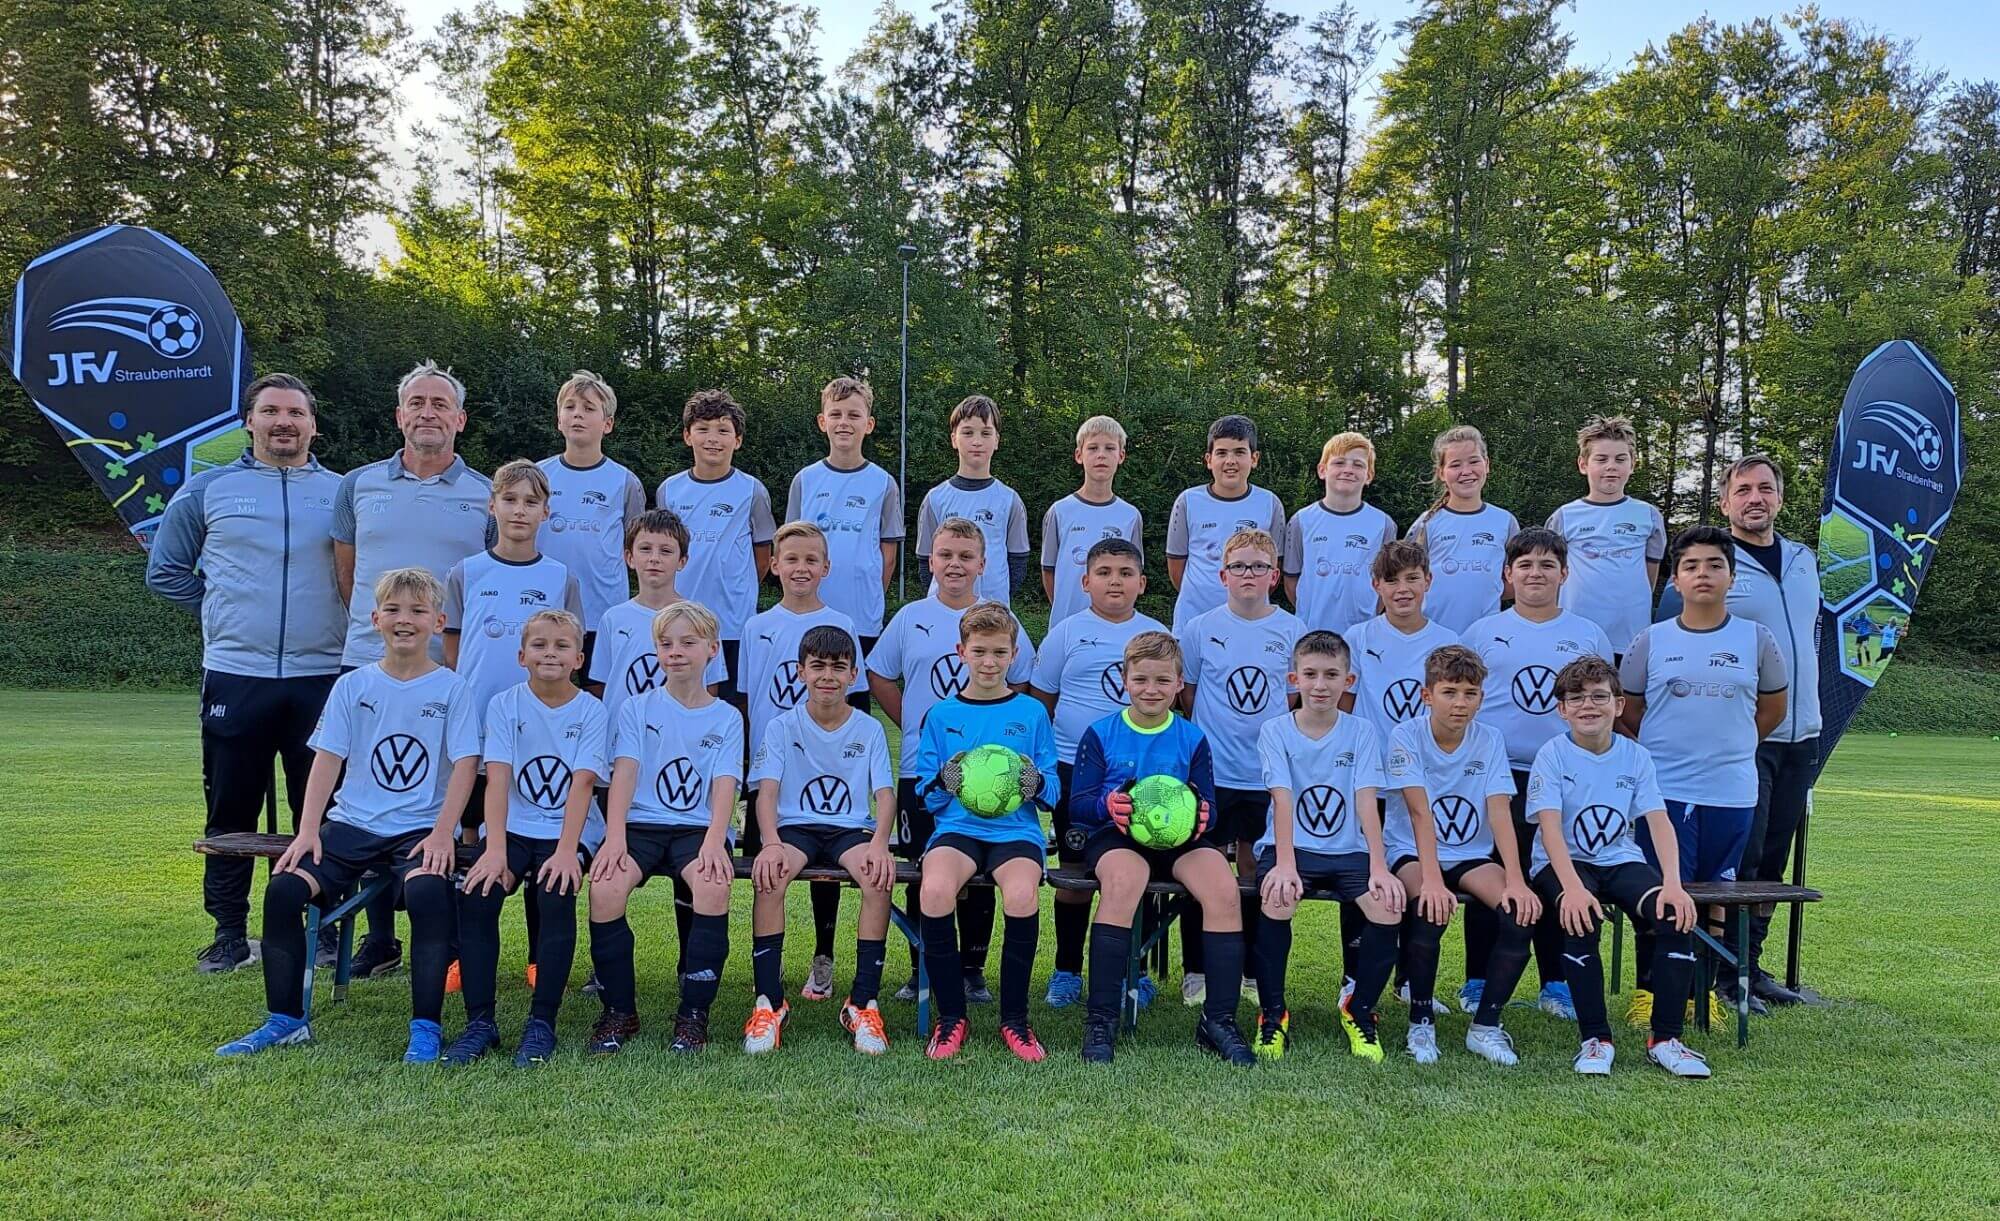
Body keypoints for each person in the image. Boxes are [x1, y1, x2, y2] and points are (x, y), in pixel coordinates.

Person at [215, 568, 478, 1061]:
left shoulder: (451, 689)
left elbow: (466, 764)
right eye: (394, 610)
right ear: (375, 619)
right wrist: (309, 829)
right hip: (351, 825)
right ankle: (286, 1020)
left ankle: (425, 1028)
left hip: (418, 829)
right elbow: (327, 759)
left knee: (428, 893)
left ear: (438, 621)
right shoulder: (353, 686)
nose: (405, 620)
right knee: (284, 889)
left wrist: (444, 832)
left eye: (418, 611)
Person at [146, 372, 345, 974]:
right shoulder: (210, 489)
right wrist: (223, 605)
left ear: (313, 424)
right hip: (237, 672)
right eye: (271, 412)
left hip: (323, 674)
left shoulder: (342, 492)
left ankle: (325, 926)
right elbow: (166, 570)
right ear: (250, 422)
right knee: (231, 807)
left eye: (296, 413)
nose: (284, 422)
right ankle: (229, 932)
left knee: (326, 809)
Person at [329, 360, 492, 976]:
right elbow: (348, 574)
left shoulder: (484, 494)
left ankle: (439, 931)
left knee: (437, 787)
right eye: (416, 403)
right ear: (400, 415)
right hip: (365, 663)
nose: (428, 413)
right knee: (366, 790)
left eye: (440, 404)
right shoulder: (358, 485)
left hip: (445, 672)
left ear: (460, 419)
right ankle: (376, 937)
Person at [1619, 526, 1786, 1019]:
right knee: (1661, 890)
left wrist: (1730, 747)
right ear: (1674, 580)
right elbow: (1630, 712)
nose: (1703, 574)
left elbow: (1771, 711)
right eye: (1691, 566)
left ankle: (1702, 994)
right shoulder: (1652, 640)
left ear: (1731, 576)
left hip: (1731, 790)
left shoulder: (1756, 640)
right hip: (1663, 789)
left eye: (1715, 565)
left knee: (1716, 894)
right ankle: (1649, 993)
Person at [867, 518, 1034, 1005]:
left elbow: (1021, 682)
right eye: (946, 555)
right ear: (931, 562)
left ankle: (973, 969)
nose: (955, 564)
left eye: (966, 556)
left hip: (992, 778)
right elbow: (879, 674)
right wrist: (913, 724)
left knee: (983, 867)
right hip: (925, 768)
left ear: (983, 564)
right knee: (925, 867)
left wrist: (995, 733)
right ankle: (921, 965)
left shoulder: (1002, 619)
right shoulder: (910, 617)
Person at [1068, 631, 1251, 1066]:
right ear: (1125, 681)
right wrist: (1106, 805)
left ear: (1178, 683)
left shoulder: (1191, 738)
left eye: (1163, 681)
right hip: (1117, 836)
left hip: (1181, 840)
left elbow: (1208, 804)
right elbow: (1077, 806)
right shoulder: (1100, 734)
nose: (1152, 690)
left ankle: (1219, 1020)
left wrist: (1205, 815)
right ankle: (1102, 1018)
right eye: (1142, 680)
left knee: (1224, 890)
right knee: (1125, 882)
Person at [1526, 656, 1710, 1079]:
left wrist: (1673, 884)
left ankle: (1666, 1039)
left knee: (1673, 917)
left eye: (1598, 697)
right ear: (1562, 709)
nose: (1588, 706)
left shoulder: (1636, 756)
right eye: (1577, 699)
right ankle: (1596, 1039)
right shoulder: (1552, 754)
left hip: (1619, 858)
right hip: (1564, 863)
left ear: (1619, 704)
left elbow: (1658, 822)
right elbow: (1550, 829)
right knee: (1580, 918)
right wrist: (1571, 889)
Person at [1460, 528, 1613, 1021]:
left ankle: (1556, 982)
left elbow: (1599, 707)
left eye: (1547, 565)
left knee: (1552, 872)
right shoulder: (1482, 632)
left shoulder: (1588, 634)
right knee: (1493, 872)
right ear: (1507, 575)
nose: (1536, 574)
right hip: (1494, 772)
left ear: (1564, 574)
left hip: (1562, 772)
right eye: (1525, 565)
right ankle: (1477, 978)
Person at [445, 610, 608, 1066]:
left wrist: (564, 853)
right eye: (539, 645)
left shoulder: (592, 711)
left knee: (556, 892)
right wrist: (494, 850)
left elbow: (581, 785)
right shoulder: (504, 704)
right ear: (521, 655)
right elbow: (497, 780)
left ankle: (542, 1024)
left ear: (578, 657)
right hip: (513, 828)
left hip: (569, 831)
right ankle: (480, 1023)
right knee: (478, 893)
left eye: (560, 646)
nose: (549, 654)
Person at [585, 601, 745, 1056]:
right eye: (666, 643)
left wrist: (716, 839)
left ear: (712, 649)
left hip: (697, 829)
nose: (676, 652)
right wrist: (614, 836)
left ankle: (694, 1014)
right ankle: (619, 1010)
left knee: (712, 887)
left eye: (687, 643)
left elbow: (723, 785)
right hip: (640, 825)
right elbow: (625, 774)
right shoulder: (637, 708)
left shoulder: (726, 716)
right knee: (606, 887)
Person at [785, 376, 901, 991]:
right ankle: (823, 951)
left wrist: (859, 612)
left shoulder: (883, 482)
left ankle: (864, 950)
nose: (846, 421)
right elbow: (798, 548)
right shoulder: (806, 479)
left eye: (856, 413)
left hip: (855, 632)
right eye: (836, 413)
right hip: (813, 634)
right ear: (823, 420)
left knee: (848, 785)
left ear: (868, 422)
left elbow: (884, 556)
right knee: (804, 787)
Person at [1381, 645, 1541, 1066]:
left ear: (1482, 698)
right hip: (1411, 850)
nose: (1460, 703)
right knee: (1430, 909)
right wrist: (1431, 880)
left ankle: (1486, 1026)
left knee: (1519, 912)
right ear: (1427, 695)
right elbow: (1418, 812)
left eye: (1470, 693)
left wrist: (1517, 879)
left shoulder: (1489, 739)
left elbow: (1500, 811)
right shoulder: (1405, 736)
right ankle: (1421, 1021)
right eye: (1450, 692)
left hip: (1470, 853)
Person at [914, 603, 1061, 1062]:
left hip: (1016, 832)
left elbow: (1053, 790)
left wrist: (1036, 783)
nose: (990, 661)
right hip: (959, 828)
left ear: (1014, 653)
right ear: (962, 652)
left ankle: (1015, 1020)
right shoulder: (940, 715)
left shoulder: (1032, 712)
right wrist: (943, 782)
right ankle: (951, 1017)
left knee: (1021, 895)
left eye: (1000, 652)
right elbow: (926, 796)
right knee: (934, 891)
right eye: (980, 651)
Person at [744, 627, 898, 1055]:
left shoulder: (868, 729)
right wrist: (770, 843)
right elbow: (767, 793)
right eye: (817, 667)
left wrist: (880, 843)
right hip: (795, 827)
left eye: (837, 668)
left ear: (853, 675)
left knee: (877, 878)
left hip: (849, 828)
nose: (827, 676)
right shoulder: (780, 726)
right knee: (770, 877)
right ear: (800, 672)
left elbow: (885, 796)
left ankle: (862, 1002)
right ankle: (768, 1003)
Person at [1029, 537, 1167, 1007]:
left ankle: (1136, 971)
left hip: (1140, 774)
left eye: (1126, 573)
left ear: (1142, 583)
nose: (1115, 581)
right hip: (1075, 770)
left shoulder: (1155, 635)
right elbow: (1041, 702)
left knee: (1141, 867)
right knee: (1073, 875)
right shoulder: (1066, 633)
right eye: (1104, 572)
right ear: (1085, 581)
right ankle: (1066, 969)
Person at [1252, 631, 1398, 1062]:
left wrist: (1379, 865)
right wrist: (1283, 864)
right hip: (1288, 847)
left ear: (1348, 680)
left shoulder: (1362, 731)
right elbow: (1282, 798)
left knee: (1387, 907)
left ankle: (1360, 1010)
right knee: (1277, 900)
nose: (1320, 685)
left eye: (1331, 675)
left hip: (1348, 850)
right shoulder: (1275, 730)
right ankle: (1272, 1015)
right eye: (1311, 674)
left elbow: (1367, 802)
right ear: (1293, 678)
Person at [1176, 526, 1302, 1008]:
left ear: (1273, 575)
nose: (1248, 574)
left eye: (1258, 566)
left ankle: (1251, 971)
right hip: (1212, 775)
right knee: (1199, 867)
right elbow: (1188, 695)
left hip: (1265, 776)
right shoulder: (1201, 628)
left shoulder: (1292, 629)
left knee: (1253, 870)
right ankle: (1197, 970)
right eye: (1239, 566)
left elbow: (1291, 701)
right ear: (1223, 574)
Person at [1715, 454, 1822, 1006]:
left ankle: (1752, 969)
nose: (1754, 498)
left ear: (1779, 497)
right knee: (1744, 857)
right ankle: (1724, 975)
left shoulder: (1806, 559)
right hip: (1746, 737)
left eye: (1765, 489)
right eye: (1743, 490)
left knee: (1775, 861)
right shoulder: (1715, 563)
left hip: (1802, 735)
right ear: (1726, 501)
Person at [654, 387, 777, 698]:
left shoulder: (752, 490)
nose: (713, 438)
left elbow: (763, 556)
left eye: (723, 430)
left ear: (737, 440)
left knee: (734, 712)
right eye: (703, 429)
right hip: (681, 623)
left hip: (733, 624)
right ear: (687, 436)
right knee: (681, 710)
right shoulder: (669, 490)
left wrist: (738, 588)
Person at [535, 370, 647, 660]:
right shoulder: (537, 476)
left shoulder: (625, 482)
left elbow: (635, 549)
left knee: (601, 693)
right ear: (559, 420)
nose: (577, 415)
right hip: (543, 608)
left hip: (603, 611)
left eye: (588, 408)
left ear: (607, 424)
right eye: (570, 407)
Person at [1547, 415, 1667, 658]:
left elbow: (1650, 575)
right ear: (1583, 464)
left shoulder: (1649, 516)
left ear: (1632, 464)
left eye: (1620, 459)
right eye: (1601, 459)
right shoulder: (1564, 516)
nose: (1611, 466)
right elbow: (1551, 574)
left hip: (1630, 636)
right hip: (1575, 637)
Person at [1165, 415, 1288, 633]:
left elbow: (1273, 569)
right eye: (1221, 453)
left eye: (1240, 452)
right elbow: (1177, 569)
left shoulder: (1270, 503)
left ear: (1254, 458)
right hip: (1193, 620)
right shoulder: (1188, 501)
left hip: (1251, 622)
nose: (1230, 461)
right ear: (1209, 460)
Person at [913, 394, 1030, 606]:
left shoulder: (1009, 500)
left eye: (986, 433)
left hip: (992, 613)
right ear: (954, 440)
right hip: (943, 610)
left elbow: (1018, 562)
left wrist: (994, 599)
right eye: (968, 433)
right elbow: (925, 562)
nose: (977, 441)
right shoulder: (935, 498)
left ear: (996, 441)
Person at [1406, 424, 1519, 635]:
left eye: (1474, 461)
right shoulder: (1426, 524)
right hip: (1432, 639)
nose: (1466, 472)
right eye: (1455, 465)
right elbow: (1405, 581)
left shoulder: (1505, 521)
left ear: (1486, 465)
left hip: (1486, 639)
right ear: (1441, 472)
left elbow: (1516, 581)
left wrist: (1487, 589)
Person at [1283, 431, 1398, 636]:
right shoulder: (1301, 520)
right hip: (1311, 634)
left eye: (1358, 464)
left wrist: (1367, 614)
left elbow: (1387, 584)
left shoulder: (1384, 524)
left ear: (1369, 476)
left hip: (1362, 637)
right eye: (1339, 463)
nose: (1348, 470)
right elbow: (1291, 582)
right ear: (1322, 470)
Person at [1040, 415, 1144, 627]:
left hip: (1113, 624)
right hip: (1066, 623)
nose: (1101, 456)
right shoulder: (1060, 511)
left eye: (1109, 448)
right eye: (1093, 448)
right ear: (1079, 455)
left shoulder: (1130, 515)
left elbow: (1132, 573)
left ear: (1121, 455)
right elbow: (1048, 570)